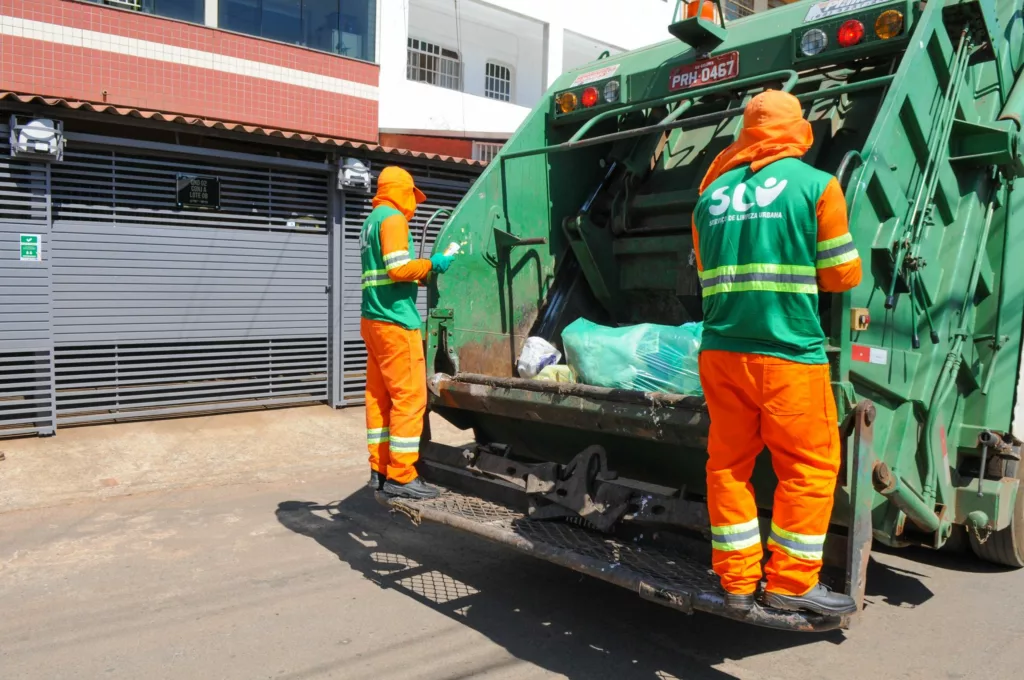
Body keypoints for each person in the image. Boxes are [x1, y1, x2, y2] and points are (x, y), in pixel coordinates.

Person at [691, 90, 863, 616]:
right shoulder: (817, 186)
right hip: (789, 353)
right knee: (808, 468)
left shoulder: (710, 196)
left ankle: (737, 582)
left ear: (746, 132)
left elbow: (704, 272)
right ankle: (790, 586)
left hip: (721, 353)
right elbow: (839, 275)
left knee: (727, 467)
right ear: (798, 130)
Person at [360, 166, 455, 500]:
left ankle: (380, 469)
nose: (413, 205)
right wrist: (433, 264)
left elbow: (384, 273)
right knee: (410, 398)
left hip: (373, 321)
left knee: (379, 397)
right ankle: (402, 475)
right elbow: (397, 268)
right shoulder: (394, 220)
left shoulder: (371, 221)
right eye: (412, 197)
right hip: (396, 322)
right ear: (402, 191)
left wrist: (419, 275)